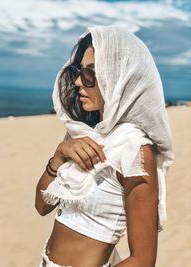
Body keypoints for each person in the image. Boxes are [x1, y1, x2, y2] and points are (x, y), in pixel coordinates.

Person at [35, 26, 174, 267]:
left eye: (90, 73)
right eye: (80, 72)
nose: (78, 81)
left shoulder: (134, 149)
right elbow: (41, 206)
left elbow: (143, 260)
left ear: (118, 78)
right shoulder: (83, 135)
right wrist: (58, 156)